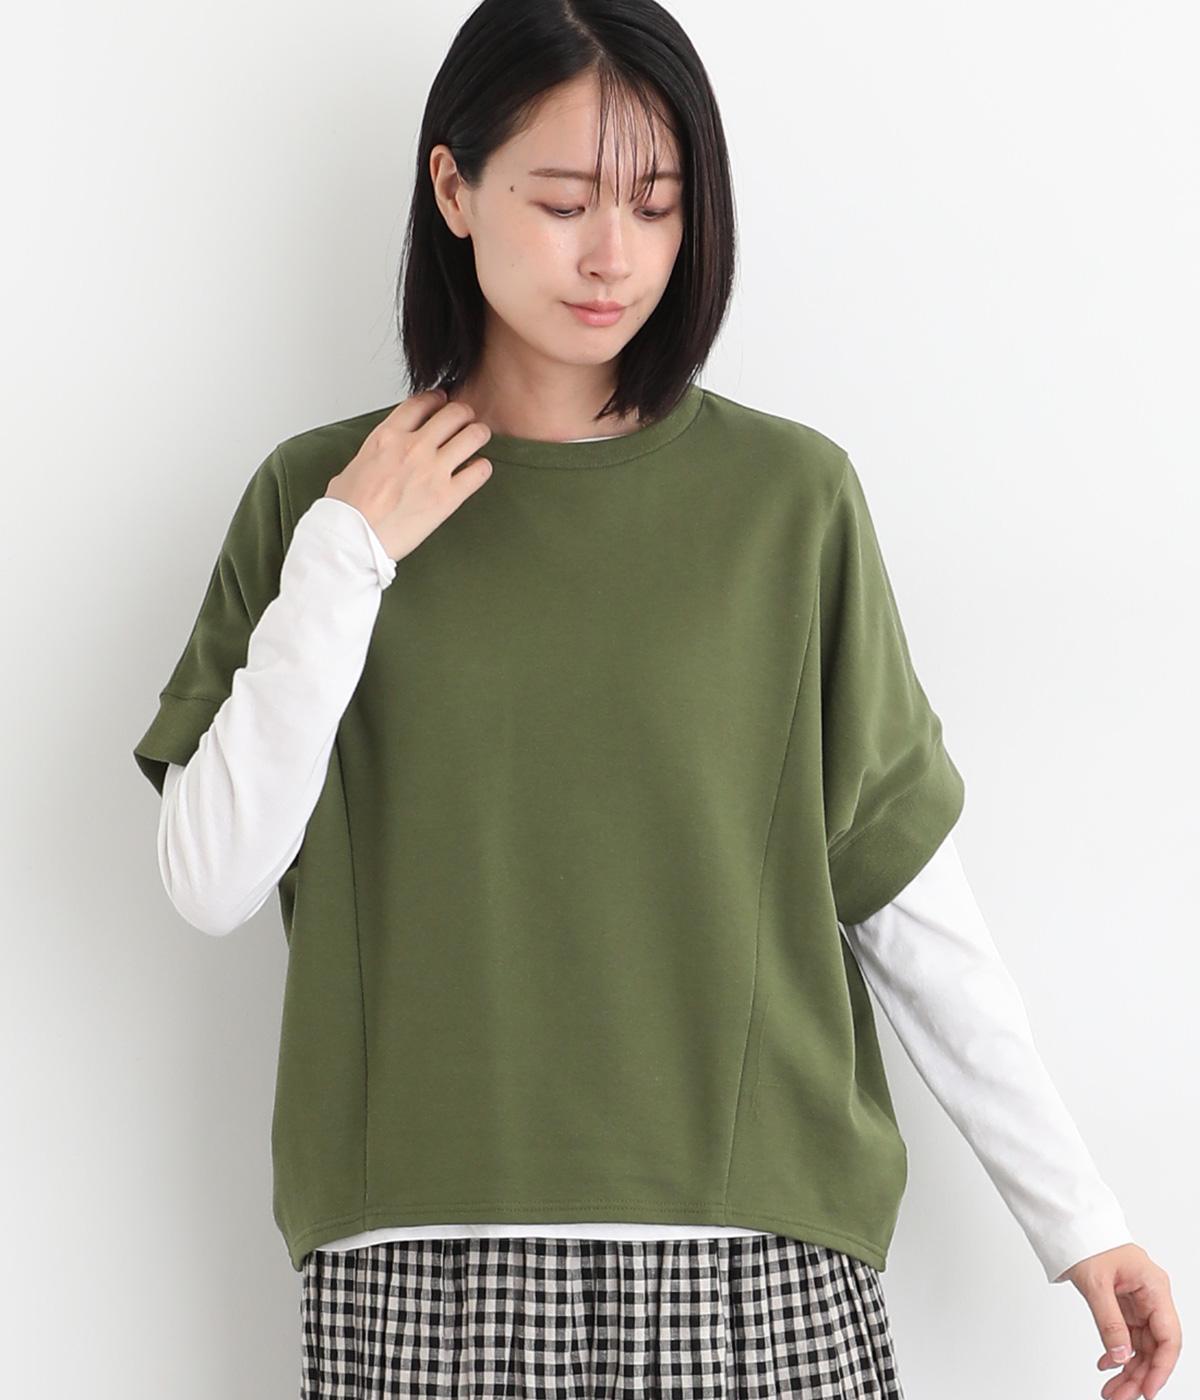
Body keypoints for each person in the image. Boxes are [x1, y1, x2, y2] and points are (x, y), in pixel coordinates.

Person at [132, 1, 1181, 1396]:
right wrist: (348, 554)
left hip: (759, 1265)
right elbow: (210, 878)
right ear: (453, 186)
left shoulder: (789, 502)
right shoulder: (318, 499)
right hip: (425, 1271)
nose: (612, 255)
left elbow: (904, 900)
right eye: (564, 201)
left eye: (656, 203)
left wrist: (1079, 1219)